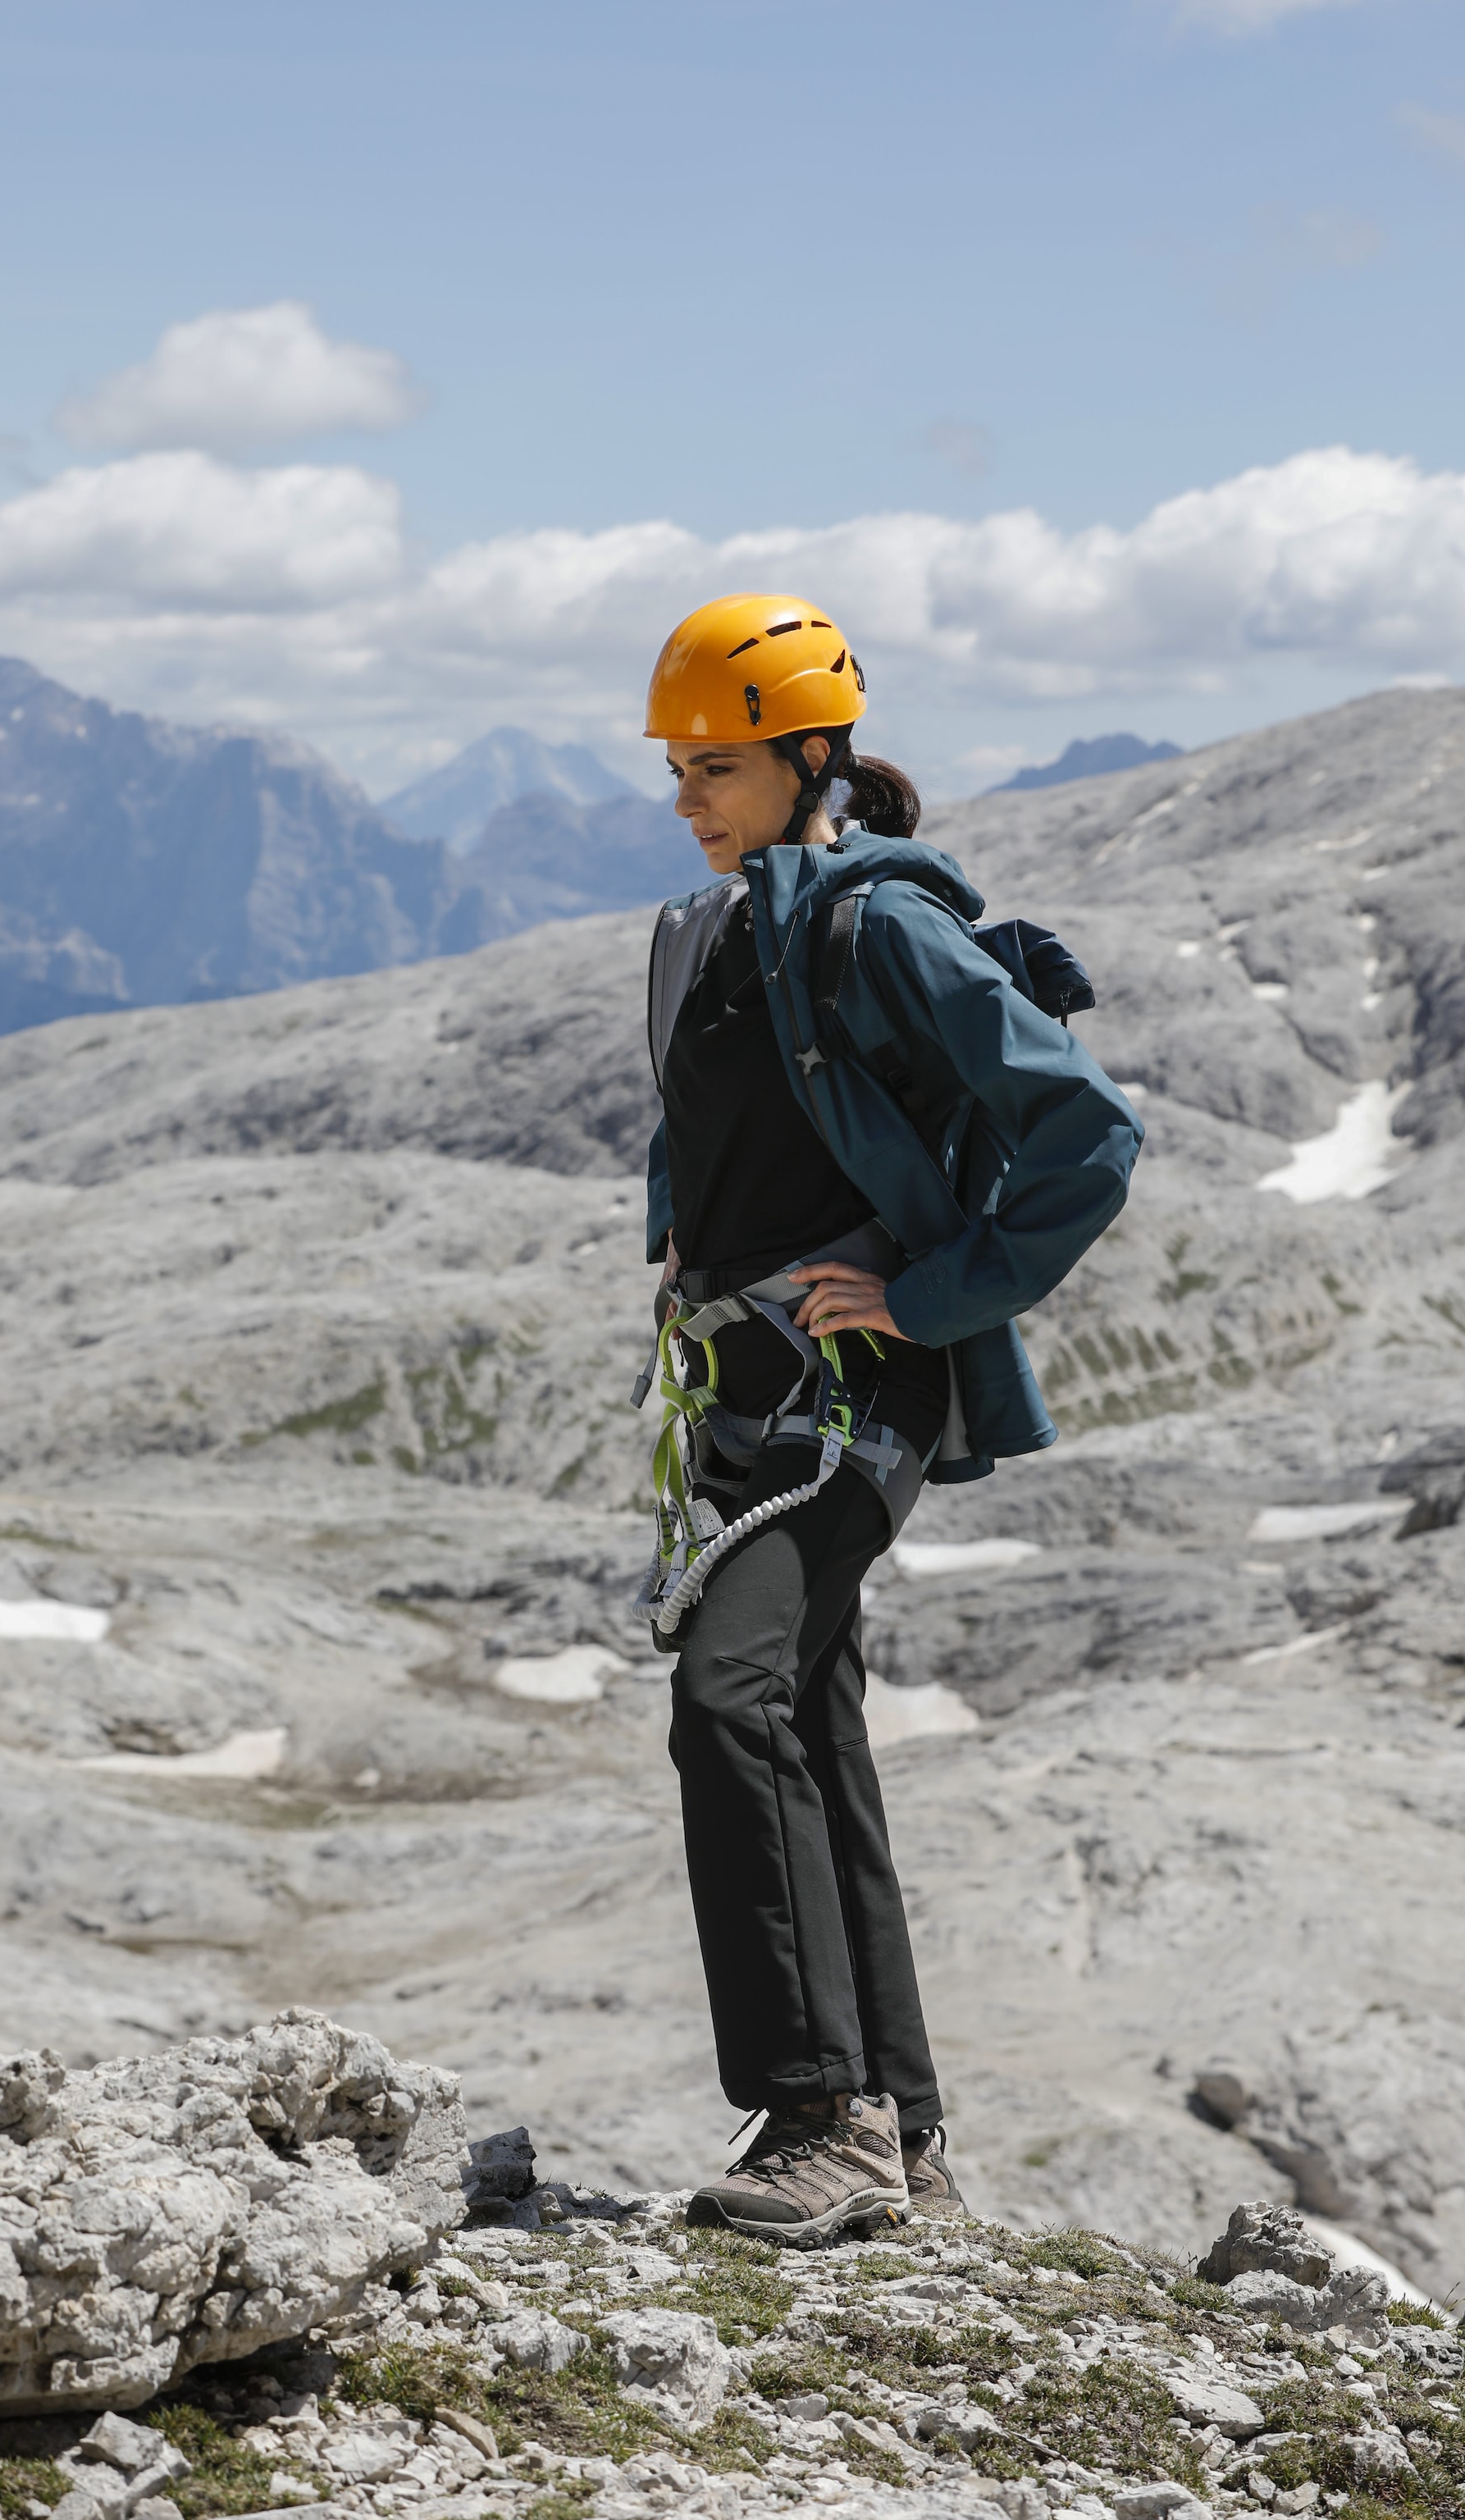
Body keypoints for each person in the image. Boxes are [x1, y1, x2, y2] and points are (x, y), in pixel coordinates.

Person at [637, 591, 1143, 2244]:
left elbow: (1083, 1133)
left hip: (846, 1396)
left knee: (730, 1697)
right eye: (677, 770)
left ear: (807, 755)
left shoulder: (876, 926)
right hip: (753, 1397)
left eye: (717, 765)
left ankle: (816, 2116)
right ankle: (897, 2133)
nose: (692, 795)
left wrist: (928, 1302)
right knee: (803, 1717)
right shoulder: (732, 925)